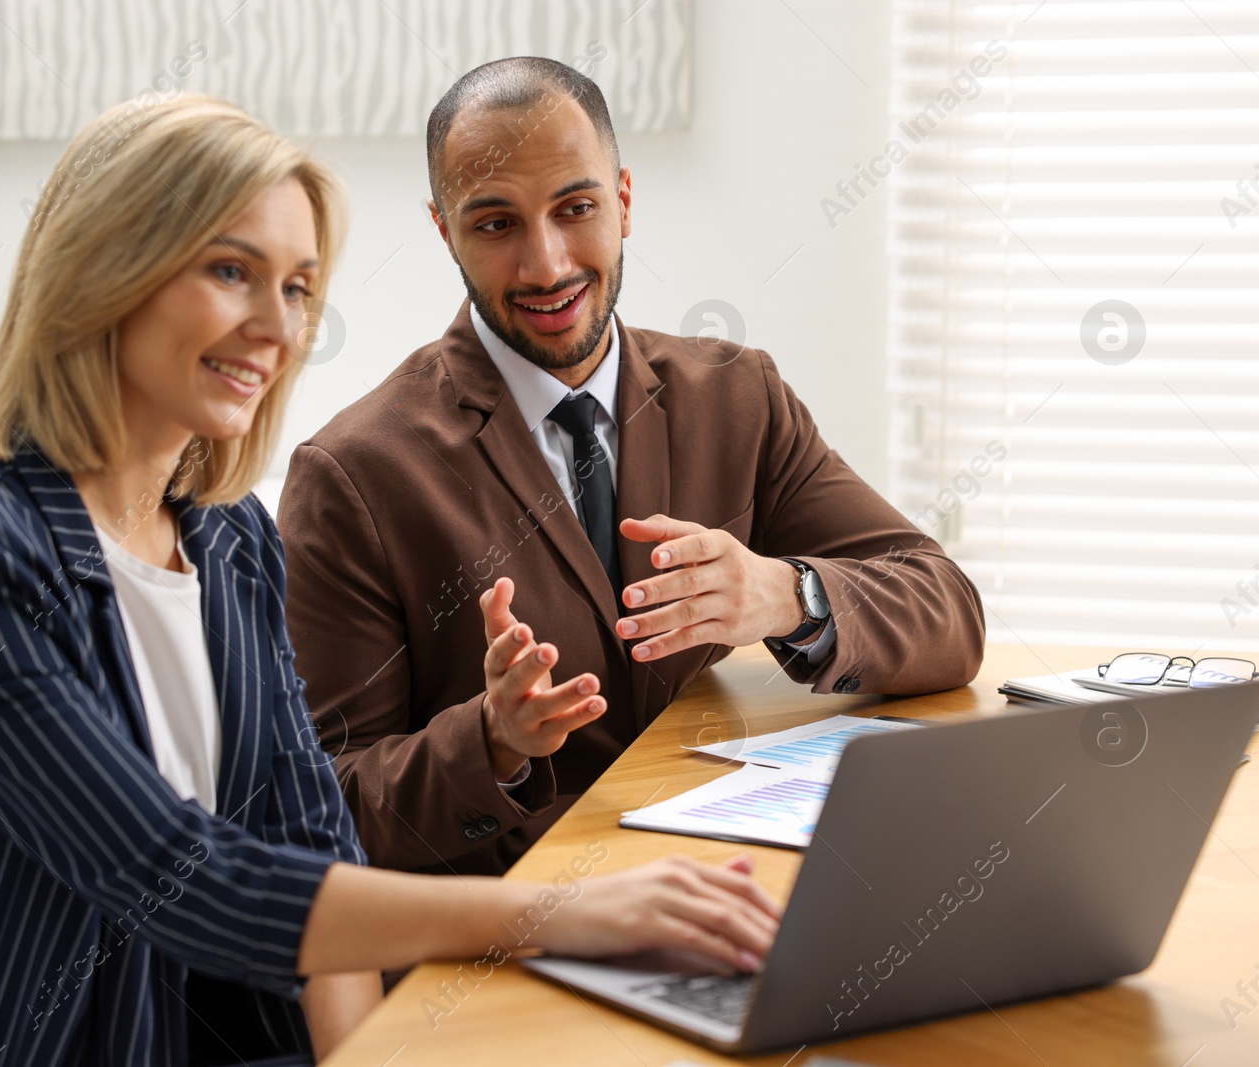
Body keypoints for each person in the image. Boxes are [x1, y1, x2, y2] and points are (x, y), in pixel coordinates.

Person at [0, 94, 778, 1067]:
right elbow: (174, 874)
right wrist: (559, 912)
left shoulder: (230, 540)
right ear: (103, 272)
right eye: (232, 271)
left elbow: (313, 857)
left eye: (298, 288)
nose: (274, 326)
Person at [278, 57, 987, 876]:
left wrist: (785, 594)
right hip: (514, 941)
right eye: (497, 224)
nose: (546, 266)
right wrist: (492, 741)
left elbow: (946, 607)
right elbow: (321, 809)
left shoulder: (737, 396)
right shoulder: (354, 473)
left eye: (575, 209)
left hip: (726, 886)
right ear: (446, 233)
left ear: (621, 201)